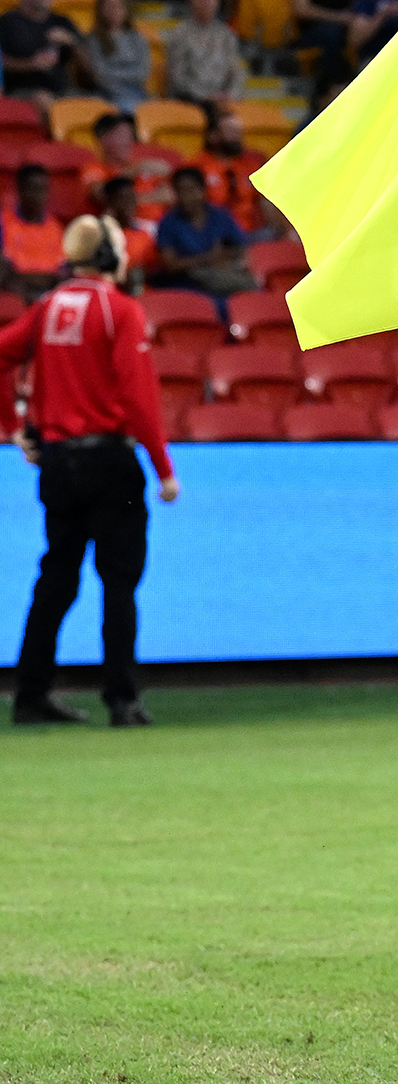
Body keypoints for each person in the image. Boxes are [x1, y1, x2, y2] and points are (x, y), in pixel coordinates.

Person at [4, 214, 179, 727]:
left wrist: (13, 425)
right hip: (109, 462)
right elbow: (139, 397)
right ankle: (121, 700)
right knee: (119, 582)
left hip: (58, 464)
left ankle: (30, 696)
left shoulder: (46, 307)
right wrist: (164, 469)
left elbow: (2, 355)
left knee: (55, 579)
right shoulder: (119, 310)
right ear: (108, 257)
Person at [154, 166, 252, 299]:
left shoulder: (220, 215)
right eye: (180, 191)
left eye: (190, 190)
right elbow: (170, 265)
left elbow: (241, 247)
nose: (185, 196)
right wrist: (207, 258)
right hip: (186, 285)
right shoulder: (168, 222)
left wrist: (225, 257)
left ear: (202, 190)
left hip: (222, 277)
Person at [0, 0, 84, 105]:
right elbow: (2, 62)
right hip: (23, 90)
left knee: (96, 105)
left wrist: (73, 43)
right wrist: (31, 64)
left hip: (62, 90)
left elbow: (91, 70)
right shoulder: (8, 21)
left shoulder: (62, 21)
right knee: (43, 99)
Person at [161, 0, 244, 110]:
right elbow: (177, 76)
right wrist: (204, 96)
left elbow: (235, 72)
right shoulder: (179, 34)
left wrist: (230, 95)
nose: (207, 2)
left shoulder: (227, 35)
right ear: (191, 1)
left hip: (221, 99)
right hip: (189, 99)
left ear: (217, 2)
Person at [81, 0, 153, 110]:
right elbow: (99, 74)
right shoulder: (93, 39)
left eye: (118, 5)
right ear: (101, 9)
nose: (114, 9)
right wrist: (125, 77)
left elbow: (142, 72)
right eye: (109, 5)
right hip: (107, 94)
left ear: (126, 9)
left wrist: (115, 75)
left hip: (136, 91)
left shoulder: (138, 38)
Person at [2, 164, 68, 300]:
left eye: (44, 190)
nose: (41, 196)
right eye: (34, 190)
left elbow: (63, 268)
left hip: (50, 288)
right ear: (20, 190)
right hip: (19, 288)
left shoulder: (55, 227)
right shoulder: (3, 222)